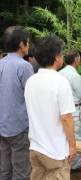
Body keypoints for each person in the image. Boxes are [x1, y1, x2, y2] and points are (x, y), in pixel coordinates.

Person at [24, 36, 76, 180]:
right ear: (56, 57)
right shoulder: (60, 82)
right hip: (55, 151)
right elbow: (66, 118)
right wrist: (72, 146)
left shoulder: (31, 81)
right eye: (61, 53)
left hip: (35, 147)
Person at [0, 26, 33, 180]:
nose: (29, 45)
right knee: (21, 171)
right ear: (21, 44)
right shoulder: (24, 66)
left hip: (2, 125)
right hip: (18, 126)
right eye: (28, 42)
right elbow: (32, 97)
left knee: (4, 170)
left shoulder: (1, 63)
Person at [59, 50, 81, 170]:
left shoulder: (59, 73)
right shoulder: (74, 75)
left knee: (64, 137)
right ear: (76, 60)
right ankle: (76, 165)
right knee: (78, 137)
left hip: (61, 109)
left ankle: (68, 163)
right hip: (74, 110)